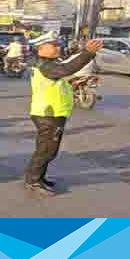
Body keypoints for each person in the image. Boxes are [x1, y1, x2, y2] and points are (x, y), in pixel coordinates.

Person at [24, 32, 102, 196]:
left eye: (58, 44)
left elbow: (58, 80)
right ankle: (33, 180)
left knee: (46, 148)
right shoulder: (45, 65)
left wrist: (72, 84)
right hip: (48, 114)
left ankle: (38, 177)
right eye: (54, 45)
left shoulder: (48, 63)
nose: (58, 47)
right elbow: (67, 69)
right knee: (47, 150)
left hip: (53, 112)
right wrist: (87, 53)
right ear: (41, 48)